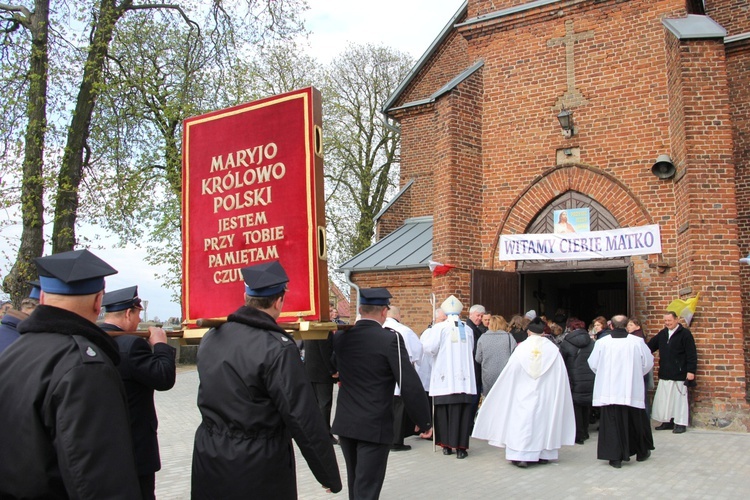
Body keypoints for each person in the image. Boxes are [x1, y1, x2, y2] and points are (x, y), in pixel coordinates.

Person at [191, 260, 341, 499]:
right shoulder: (276, 348)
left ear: (245, 296)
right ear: (279, 301)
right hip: (257, 464)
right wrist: (328, 473)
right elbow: (302, 417)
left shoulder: (212, 337)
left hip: (209, 456)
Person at [0, 249, 141, 498]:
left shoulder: (14, 353)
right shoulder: (85, 367)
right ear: (98, 302)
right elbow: (100, 481)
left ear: (42, 297)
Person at [332, 288, 430, 500]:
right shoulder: (389, 339)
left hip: (346, 423)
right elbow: (408, 383)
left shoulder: (342, 337)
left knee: (356, 483)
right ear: (384, 311)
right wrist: (424, 421)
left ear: (359, 309)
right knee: (367, 488)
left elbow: (332, 368)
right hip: (374, 424)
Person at [99, 285, 176, 499]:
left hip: (104, 444)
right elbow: (163, 379)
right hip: (134, 444)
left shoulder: (94, 338)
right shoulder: (132, 345)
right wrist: (160, 345)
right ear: (128, 313)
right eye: (137, 313)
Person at [472, 317, 575, 468]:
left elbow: (511, 372)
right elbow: (559, 375)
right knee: (543, 422)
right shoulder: (553, 350)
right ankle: (543, 454)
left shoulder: (522, 348)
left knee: (522, 422)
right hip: (545, 394)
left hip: (522, 393)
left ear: (528, 332)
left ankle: (521, 455)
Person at [588, 315, 655, 468]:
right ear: (626, 326)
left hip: (609, 389)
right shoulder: (637, 342)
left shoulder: (602, 343)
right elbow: (648, 362)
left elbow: (593, 364)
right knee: (634, 420)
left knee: (612, 421)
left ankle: (614, 457)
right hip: (630, 389)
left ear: (611, 326)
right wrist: (636, 375)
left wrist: (605, 374)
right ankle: (640, 450)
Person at [422, 295, 477, 459]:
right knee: (462, 414)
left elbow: (429, 349)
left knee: (443, 413)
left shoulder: (439, 328)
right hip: (464, 381)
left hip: (444, 379)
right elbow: (471, 349)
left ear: (445, 313)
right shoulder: (467, 329)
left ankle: (446, 445)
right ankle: (461, 448)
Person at [648, 311, 697, 434]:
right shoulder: (662, 334)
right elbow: (649, 347)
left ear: (676, 320)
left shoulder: (685, 334)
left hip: (679, 373)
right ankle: (667, 420)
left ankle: (680, 423)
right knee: (666, 399)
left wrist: (691, 371)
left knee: (679, 400)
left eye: (669, 320)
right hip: (665, 372)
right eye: (665, 321)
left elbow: (691, 354)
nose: (667, 323)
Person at [384, 305, 424, 452]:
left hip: (381, 379)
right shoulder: (405, 331)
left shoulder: (378, 329)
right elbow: (418, 351)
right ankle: (396, 442)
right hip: (399, 374)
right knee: (399, 409)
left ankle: (384, 439)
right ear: (398, 315)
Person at [302, 305, 340, 445]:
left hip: (310, 371)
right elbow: (326, 353)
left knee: (316, 403)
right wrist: (333, 370)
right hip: (322, 372)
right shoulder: (324, 330)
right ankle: (325, 434)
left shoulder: (310, 327)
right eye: (330, 311)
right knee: (324, 404)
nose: (333, 313)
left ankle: (315, 432)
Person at [559, 317, 595, 444]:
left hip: (573, 377)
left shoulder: (566, 343)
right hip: (589, 376)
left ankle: (578, 434)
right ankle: (585, 431)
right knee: (586, 405)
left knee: (576, 406)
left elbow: (561, 361)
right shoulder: (592, 342)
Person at [475, 315, 517, 396]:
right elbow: (514, 356)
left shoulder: (483, 338)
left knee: (489, 399)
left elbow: (478, 358)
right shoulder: (509, 337)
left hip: (488, 375)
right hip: (505, 374)